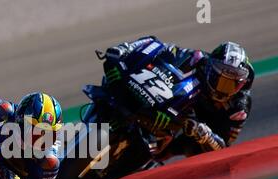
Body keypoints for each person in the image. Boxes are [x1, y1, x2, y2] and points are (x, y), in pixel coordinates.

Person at [103, 36, 254, 159]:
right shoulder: (199, 59)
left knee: (188, 151)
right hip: (182, 108)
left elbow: (223, 148)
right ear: (211, 70)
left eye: (232, 85)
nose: (225, 90)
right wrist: (127, 49)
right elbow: (166, 49)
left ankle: (152, 158)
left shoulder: (239, 108)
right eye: (222, 82)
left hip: (198, 131)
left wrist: (203, 133)